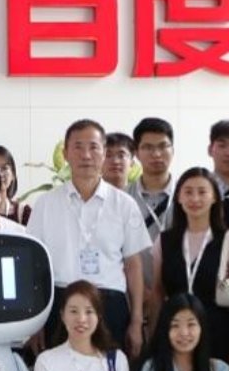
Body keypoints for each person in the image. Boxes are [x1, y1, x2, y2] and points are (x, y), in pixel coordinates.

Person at [25, 119, 150, 356]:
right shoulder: (46, 203)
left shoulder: (124, 204)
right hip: (60, 303)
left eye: (93, 147)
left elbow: (133, 265)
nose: (86, 155)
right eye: (78, 147)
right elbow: (35, 266)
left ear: (104, 152)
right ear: (65, 154)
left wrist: (136, 321)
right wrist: (36, 322)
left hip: (109, 305)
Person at [154, 167, 229, 371]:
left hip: (217, 331)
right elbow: (157, 291)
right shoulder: (164, 240)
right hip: (175, 332)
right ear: (178, 198)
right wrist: (153, 332)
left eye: (202, 192)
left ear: (214, 197)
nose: (195, 198)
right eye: (188, 192)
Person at [129, 117, 178, 241]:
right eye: (148, 147)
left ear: (173, 150)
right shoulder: (123, 197)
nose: (156, 154)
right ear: (136, 153)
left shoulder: (187, 194)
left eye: (163, 146)